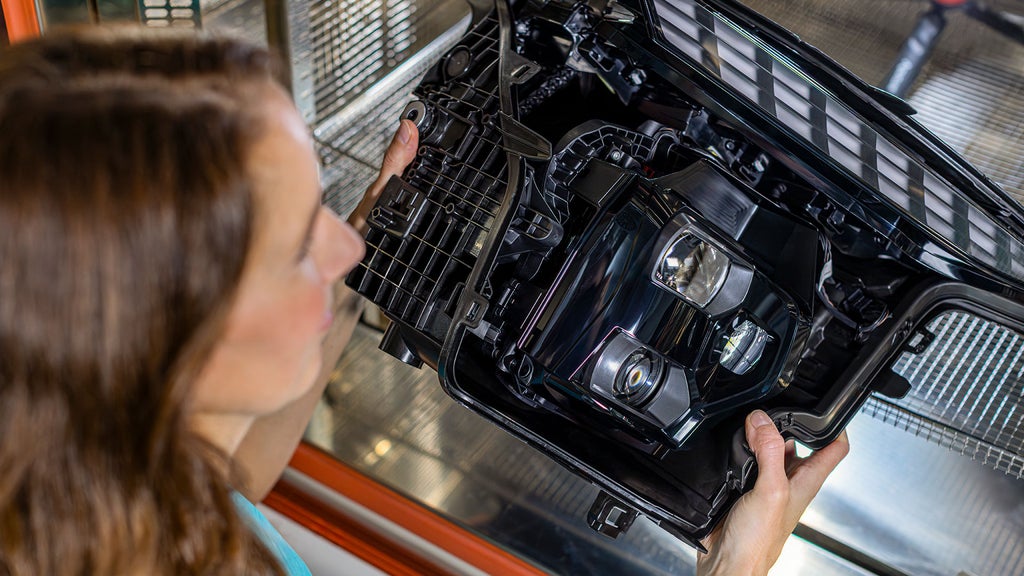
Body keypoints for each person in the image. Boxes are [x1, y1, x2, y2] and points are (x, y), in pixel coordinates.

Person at [0, 25, 847, 576]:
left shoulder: (127, 497)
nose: (348, 243)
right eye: (299, 246)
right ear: (156, 343)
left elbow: (236, 478)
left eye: (323, 204)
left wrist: (376, 235)